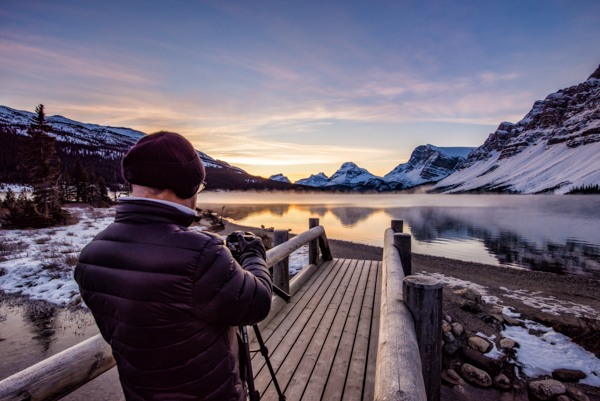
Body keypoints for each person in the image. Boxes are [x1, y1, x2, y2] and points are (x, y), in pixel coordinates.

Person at [75, 131, 272, 401]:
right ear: (184, 187)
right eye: (198, 188)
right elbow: (258, 302)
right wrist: (253, 255)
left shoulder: (92, 254)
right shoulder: (201, 254)